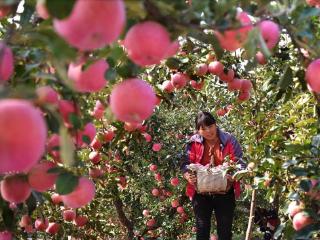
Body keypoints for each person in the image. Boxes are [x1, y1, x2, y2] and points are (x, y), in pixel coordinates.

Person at [181, 111, 246, 240]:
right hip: (200, 194)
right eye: (203, 129)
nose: (208, 131)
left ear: (215, 124)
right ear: (198, 131)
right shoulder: (193, 143)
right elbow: (184, 163)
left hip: (224, 193)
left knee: (225, 232)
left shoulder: (229, 140)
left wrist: (234, 175)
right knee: (202, 230)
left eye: (210, 126)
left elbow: (241, 163)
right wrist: (187, 175)